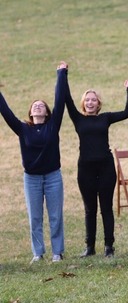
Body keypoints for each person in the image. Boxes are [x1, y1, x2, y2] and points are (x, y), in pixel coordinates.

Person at [0, 61, 67, 263]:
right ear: (30, 112)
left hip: (53, 176)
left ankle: (58, 252)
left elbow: (60, 99)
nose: (38, 105)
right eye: (34, 105)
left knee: (55, 216)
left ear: (47, 112)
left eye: (42, 105)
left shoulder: (53, 125)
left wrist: (61, 73)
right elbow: (5, 111)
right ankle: (38, 253)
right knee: (35, 218)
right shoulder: (22, 129)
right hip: (31, 178)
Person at [66, 81, 128, 258]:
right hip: (85, 168)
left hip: (105, 167)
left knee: (106, 208)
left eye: (93, 100)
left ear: (98, 103)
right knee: (90, 209)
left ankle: (109, 246)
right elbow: (66, 99)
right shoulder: (78, 118)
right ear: (83, 103)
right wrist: (63, 74)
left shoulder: (106, 118)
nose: (90, 102)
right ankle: (90, 247)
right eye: (87, 100)